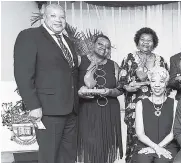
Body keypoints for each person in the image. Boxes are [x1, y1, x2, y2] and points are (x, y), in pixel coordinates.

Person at [13, 4, 79, 163]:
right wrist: (33, 105)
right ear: (43, 17)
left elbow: (70, 73)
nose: (58, 20)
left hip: (71, 109)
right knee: (49, 157)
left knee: (68, 157)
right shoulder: (29, 36)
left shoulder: (68, 42)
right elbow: (23, 74)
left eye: (62, 17)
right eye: (53, 16)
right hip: (47, 110)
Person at [119, 27, 169, 163]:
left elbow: (167, 84)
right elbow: (122, 83)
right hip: (134, 105)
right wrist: (129, 87)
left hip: (156, 106)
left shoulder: (161, 60)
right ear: (137, 41)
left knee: (155, 135)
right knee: (135, 137)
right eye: (143, 40)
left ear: (154, 43)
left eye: (149, 40)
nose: (146, 43)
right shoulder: (129, 58)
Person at [76, 34, 123, 163]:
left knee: (105, 146)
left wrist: (109, 91)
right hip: (86, 110)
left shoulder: (114, 65)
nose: (104, 48)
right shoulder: (80, 60)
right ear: (93, 45)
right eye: (100, 44)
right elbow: (70, 84)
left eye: (108, 47)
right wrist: (79, 91)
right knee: (88, 146)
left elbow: (120, 89)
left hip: (109, 110)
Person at [134, 67, 179, 163]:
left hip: (168, 145)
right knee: (143, 161)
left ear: (166, 84)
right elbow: (140, 134)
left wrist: (157, 148)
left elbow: (173, 133)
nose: (157, 85)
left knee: (163, 161)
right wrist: (155, 148)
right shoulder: (140, 104)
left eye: (161, 81)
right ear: (150, 83)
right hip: (145, 145)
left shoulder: (175, 104)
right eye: (153, 81)